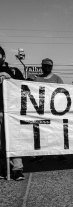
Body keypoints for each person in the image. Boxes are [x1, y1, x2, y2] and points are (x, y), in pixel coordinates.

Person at [31, 58, 68, 163]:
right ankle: (40, 154)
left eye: (49, 66)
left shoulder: (57, 79)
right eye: (45, 65)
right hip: (41, 111)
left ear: (52, 67)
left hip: (55, 111)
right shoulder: (36, 79)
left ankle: (61, 153)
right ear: (41, 66)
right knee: (40, 133)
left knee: (57, 132)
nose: (47, 67)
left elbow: (64, 93)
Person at [0, 46, 25, 180]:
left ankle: (17, 169)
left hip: (12, 113)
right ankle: (3, 168)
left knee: (15, 142)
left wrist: (11, 79)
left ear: (3, 57)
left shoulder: (14, 71)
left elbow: (24, 88)